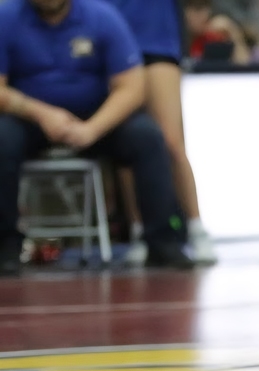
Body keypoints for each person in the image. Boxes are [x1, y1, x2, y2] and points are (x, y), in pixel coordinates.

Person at [0, 0, 194, 273]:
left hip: (94, 118)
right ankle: (5, 248)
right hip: (30, 120)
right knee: (2, 138)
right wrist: (41, 114)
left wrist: (93, 128)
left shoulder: (101, 17)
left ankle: (164, 241)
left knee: (146, 136)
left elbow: (131, 86)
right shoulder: (6, 17)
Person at [105, 0, 219, 265]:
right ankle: (138, 232)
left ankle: (195, 227)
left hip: (155, 38)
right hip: (108, 33)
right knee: (128, 141)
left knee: (171, 141)